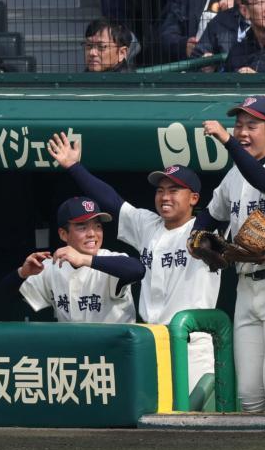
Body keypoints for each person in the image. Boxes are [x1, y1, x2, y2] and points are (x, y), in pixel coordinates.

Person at [46, 134, 221, 393]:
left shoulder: (206, 230)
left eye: (174, 190)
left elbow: (223, 207)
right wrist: (74, 167)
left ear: (193, 198)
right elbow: (113, 202)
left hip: (192, 344)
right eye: (160, 190)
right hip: (153, 342)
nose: (165, 196)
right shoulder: (148, 225)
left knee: (194, 420)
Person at [194, 95, 265, 413]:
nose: (243, 131)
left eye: (252, 126)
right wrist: (197, 237)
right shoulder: (232, 177)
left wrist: (228, 142)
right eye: (239, 125)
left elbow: (262, 180)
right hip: (246, 286)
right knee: (248, 393)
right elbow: (210, 215)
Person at [0, 197, 143, 323]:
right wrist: (22, 273)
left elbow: (137, 270)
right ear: (63, 234)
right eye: (82, 228)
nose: (92, 234)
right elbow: (2, 295)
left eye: (97, 226)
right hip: (74, 351)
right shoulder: (53, 266)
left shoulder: (111, 260)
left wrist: (85, 259)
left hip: (114, 352)